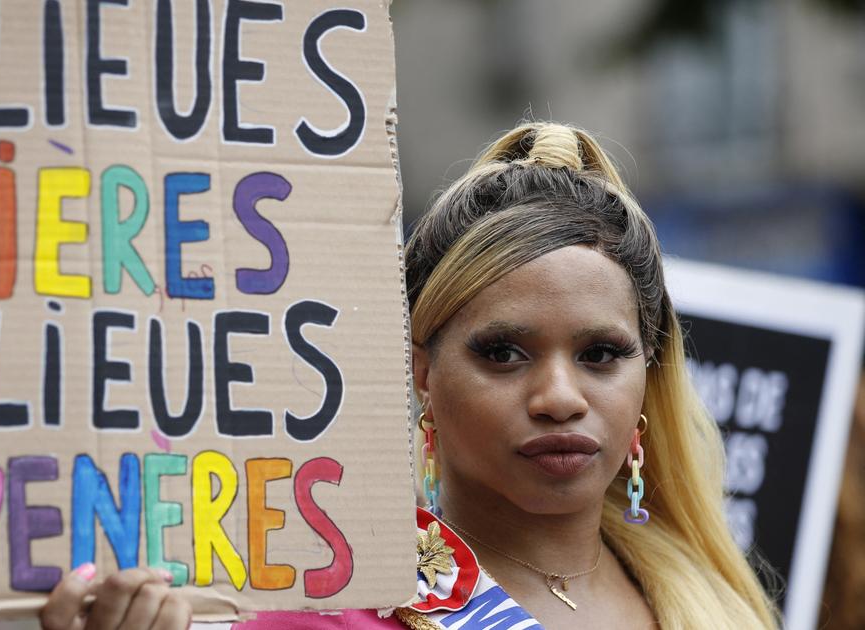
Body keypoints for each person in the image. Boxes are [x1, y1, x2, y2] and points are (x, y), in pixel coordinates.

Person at [40, 122, 781, 629]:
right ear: (420, 371)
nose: (560, 397)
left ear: (647, 375)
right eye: (503, 353)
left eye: (600, 355)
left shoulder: (715, 605)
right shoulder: (311, 612)